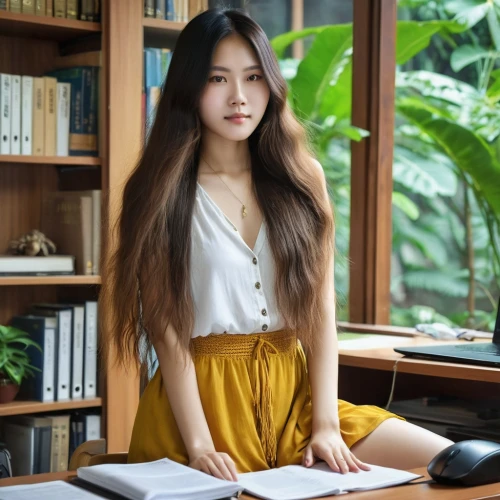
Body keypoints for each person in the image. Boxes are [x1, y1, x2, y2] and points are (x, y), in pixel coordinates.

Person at [100, 7, 453, 482]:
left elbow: (321, 310)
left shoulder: (302, 179)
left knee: (456, 462)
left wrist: (326, 423)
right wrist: (201, 446)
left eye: (253, 77)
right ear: (189, 87)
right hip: (202, 412)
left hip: (299, 403)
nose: (239, 97)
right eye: (218, 79)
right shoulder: (159, 189)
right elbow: (166, 330)